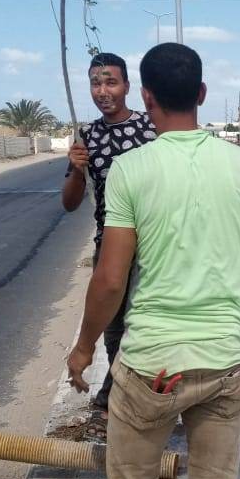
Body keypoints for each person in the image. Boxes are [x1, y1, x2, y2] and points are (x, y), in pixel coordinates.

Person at [67, 43, 240, 479]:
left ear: (145, 97)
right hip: (226, 359)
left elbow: (110, 280)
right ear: (202, 94)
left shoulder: (132, 170)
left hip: (152, 363)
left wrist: (83, 348)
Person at [62, 52, 157, 443]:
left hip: (153, 244)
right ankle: (116, 401)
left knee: (148, 326)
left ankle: (119, 401)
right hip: (110, 243)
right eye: (95, 83)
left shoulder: (151, 129)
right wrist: (76, 168)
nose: (103, 91)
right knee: (114, 330)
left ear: (127, 86)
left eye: (111, 82)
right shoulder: (86, 137)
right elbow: (69, 203)